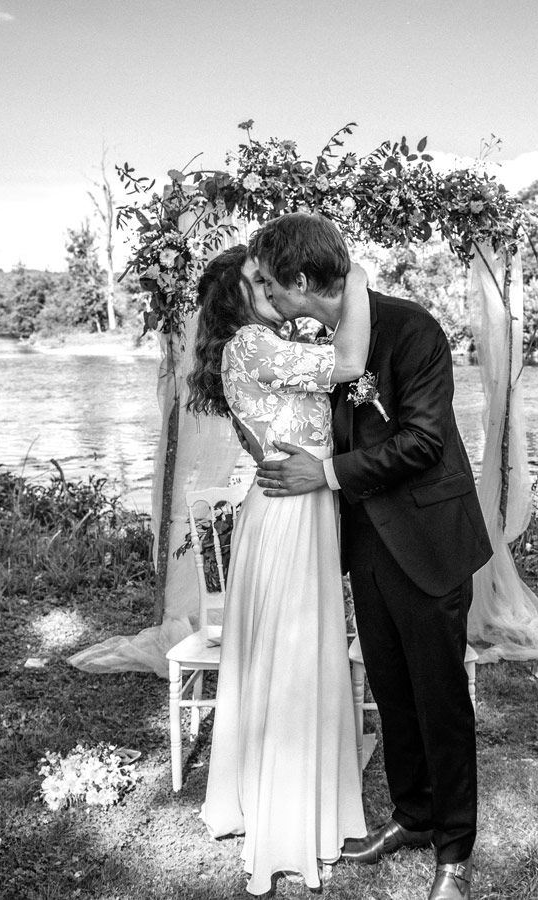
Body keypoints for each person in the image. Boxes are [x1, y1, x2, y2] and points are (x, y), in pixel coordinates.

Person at [253, 212, 493, 900]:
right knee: (390, 692)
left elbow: (422, 443)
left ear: (301, 281)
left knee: (439, 698)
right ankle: (412, 816)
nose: (270, 296)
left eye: (273, 283)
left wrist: (323, 476)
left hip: (426, 541)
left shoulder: (410, 328)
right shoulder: (331, 345)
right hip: (367, 546)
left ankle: (453, 848)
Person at [186, 243, 371, 895]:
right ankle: (288, 822)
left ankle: (283, 799)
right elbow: (349, 362)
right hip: (291, 511)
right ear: (234, 294)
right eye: (254, 277)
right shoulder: (251, 345)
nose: (266, 283)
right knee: (293, 655)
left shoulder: (260, 346)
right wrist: (359, 282)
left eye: (269, 276)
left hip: (296, 504)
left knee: (294, 654)